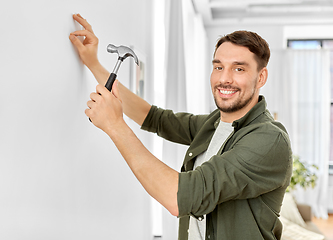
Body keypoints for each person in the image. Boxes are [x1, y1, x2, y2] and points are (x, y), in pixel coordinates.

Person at [69, 13, 292, 240]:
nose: (225, 78)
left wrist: (115, 126)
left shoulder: (269, 140)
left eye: (239, 69)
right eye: (218, 67)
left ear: (261, 77)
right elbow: (153, 117)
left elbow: (180, 197)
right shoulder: (215, 123)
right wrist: (93, 63)